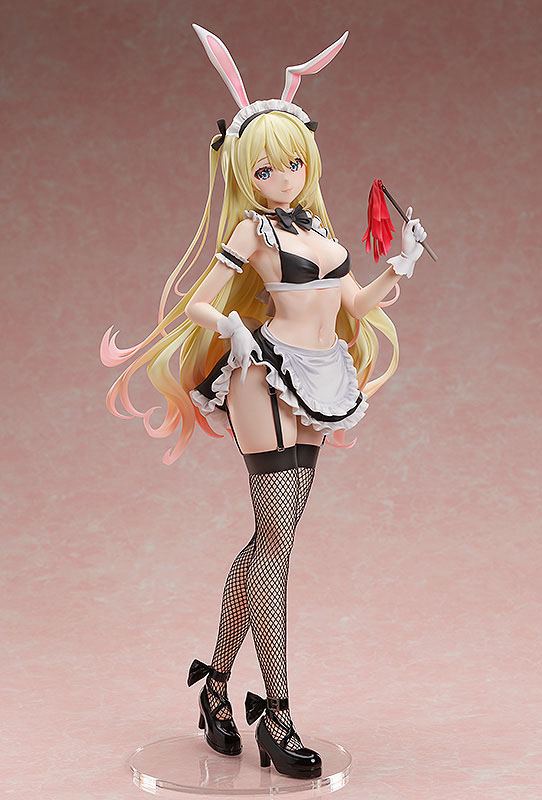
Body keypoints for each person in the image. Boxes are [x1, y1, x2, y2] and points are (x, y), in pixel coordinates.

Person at [100, 23, 427, 780]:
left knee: (268, 546)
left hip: (321, 378)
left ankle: (216, 685)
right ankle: (276, 713)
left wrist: (401, 266)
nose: (282, 175)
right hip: (263, 376)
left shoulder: (318, 231)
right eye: (266, 166)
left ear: (309, 161)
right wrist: (236, 332)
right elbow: (199, 304)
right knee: (275, 545)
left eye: (293, 162)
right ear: (247, 173)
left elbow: (355, 305)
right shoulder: (253, 232)